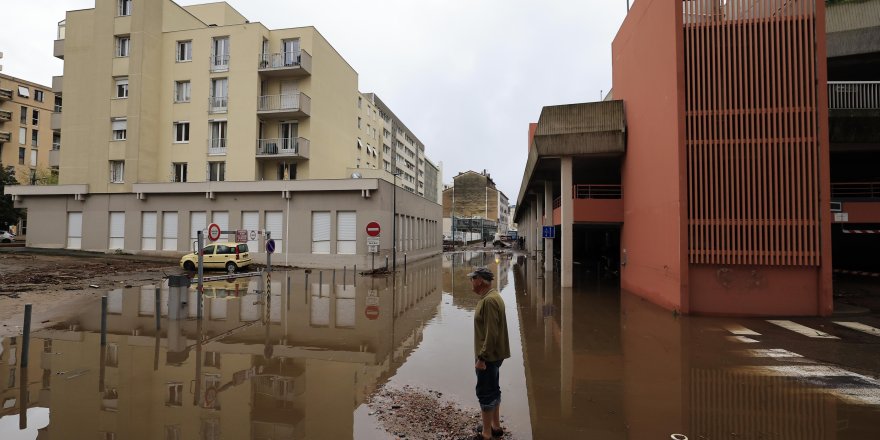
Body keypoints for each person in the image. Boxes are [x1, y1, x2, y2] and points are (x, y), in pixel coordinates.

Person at [467, 267, 510, 439]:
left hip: (488, 357)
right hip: (494, 355)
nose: (471, 282)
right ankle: (495, 426)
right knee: (494, 389)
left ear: (480, 281)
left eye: (473, 279)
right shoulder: (492, 296)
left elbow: (491, 333)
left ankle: (486, 433)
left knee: (485, 392)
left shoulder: (489, 301)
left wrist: (482, 358)